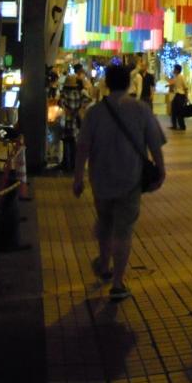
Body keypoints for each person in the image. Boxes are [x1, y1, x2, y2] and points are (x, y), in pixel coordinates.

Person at [73, 62, 166, 302]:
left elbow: (83, 147)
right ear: (128, 83)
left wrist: (78, 177)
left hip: (100, 179)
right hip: (131, 179)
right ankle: (117, 283)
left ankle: (104, 265)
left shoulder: (94, 112)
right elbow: (155, 144)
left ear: (106, 83)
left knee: (105, 223)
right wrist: (161, 170)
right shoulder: (141, 109)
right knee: (123, 231)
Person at [59, 70, 91, 171]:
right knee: (73, 143)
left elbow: (60, 104)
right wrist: (80, 109)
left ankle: (66, 164)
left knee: (66, 142)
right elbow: (88, 100)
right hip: (75, 121)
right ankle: (74, 164)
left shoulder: (64, 94)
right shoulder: (79, 94)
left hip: (66, 121)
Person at [167, 64, 189, 130]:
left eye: (174, 69)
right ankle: (175, 125)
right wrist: (170, 85)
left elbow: (185, 87)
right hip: (176, 95)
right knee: (174, 110)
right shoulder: (175, 77)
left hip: (180, 95)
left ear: (177, 70)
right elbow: (174, 86)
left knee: (179, 111)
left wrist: (186, 97)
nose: (173, 70)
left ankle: (182, 126)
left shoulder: (181, 77)